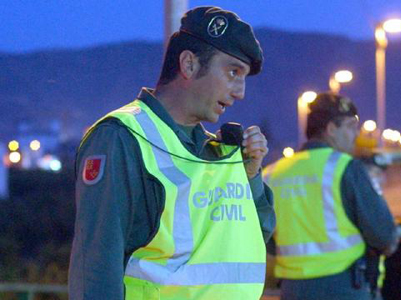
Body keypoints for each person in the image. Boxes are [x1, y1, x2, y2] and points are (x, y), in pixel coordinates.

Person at [69, 6, 275, 300]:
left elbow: (250, 242)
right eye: (232, 72)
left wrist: (251, 177)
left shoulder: (215, 152)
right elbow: (96, 267)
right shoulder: (122, 137)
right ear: (189, 65)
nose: (240, 92)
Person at [264, 92, 398, 300]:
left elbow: (265, 236)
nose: (356, 134)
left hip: (292, 289)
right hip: (343, 286)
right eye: (350, 127)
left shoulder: (272, 173)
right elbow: (382, 235)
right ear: (331, 129)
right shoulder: (345, 167)